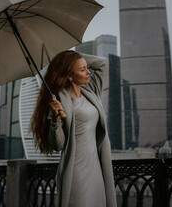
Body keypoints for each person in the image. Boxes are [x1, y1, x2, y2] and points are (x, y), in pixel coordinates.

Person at [31, 50, 117, 207]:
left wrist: (69, 57)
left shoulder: (92, 92)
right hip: (75, 168)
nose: (88, 72)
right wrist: (56, 118)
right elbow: (58, 145)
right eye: (82, 69)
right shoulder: (58, 102)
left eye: (86, 67)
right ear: (69, 75)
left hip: (96, 167)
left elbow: (102, 63)